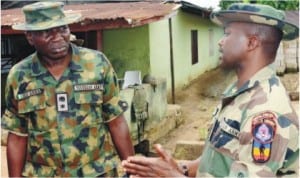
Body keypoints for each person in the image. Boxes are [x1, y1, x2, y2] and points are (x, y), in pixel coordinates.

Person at [122, 3, 299, 177]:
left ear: (252, 43)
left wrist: (171, 176)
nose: (220, 42)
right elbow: (223, 156)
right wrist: (182, 168)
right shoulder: (241, 92)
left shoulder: (266, 111)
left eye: (227, 34)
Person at [2, 2, 134, 177]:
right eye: (47, 32)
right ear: (30, 37)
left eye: (62, 29)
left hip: (96, 172)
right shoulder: (19, 76)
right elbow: (17, 135)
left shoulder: (96, 64)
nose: (57, 37)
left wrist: (133, 171)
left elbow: (116, 121)